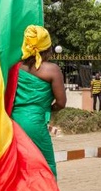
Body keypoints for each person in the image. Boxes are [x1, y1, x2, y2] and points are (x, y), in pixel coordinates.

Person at [10, 25, 66, 179]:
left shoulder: (14, 68)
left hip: (13, 123)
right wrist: (45, 108)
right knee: (45, 168)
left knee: (19, 169)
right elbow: (61, 102)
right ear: (47, 48)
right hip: (34, 123)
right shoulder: (52, 70)